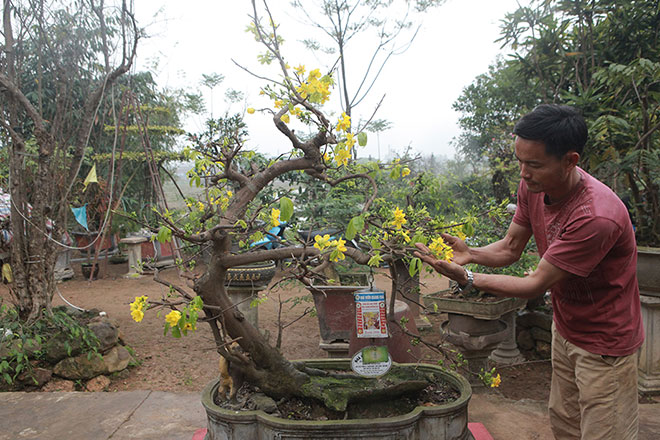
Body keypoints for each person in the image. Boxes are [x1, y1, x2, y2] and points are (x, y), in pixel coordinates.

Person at [415, 104, 644, 440]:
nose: (523, 173)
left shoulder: (596, 217)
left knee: (605, 432)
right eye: (520, 161)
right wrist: (471, 254)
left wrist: (468, 279)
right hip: (566, 329)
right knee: (565, 423)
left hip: (605, 342)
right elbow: (510, 247)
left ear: (570, 161)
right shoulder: (534, 187)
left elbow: (535, 283)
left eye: (534, 164)